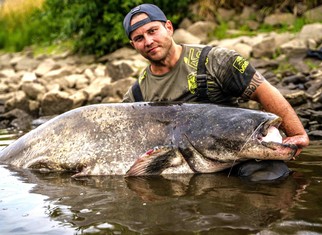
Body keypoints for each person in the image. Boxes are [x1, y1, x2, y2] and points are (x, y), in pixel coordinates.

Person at [122, 4, 309, 180]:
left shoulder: (215, 61)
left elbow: (263, 90)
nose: (148, 41)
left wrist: (297, 133)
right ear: (133, 45)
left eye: (152, 31)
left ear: (169, 28)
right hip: (182, 167)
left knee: (272, 178)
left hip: (234, 154)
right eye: (139, 38)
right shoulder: (137, 94)